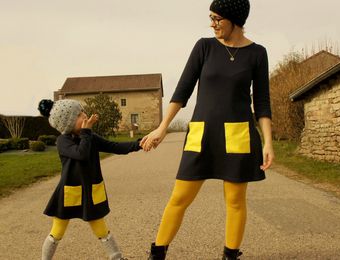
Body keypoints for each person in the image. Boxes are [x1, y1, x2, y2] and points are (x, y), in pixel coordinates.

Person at [141, 0, 274, 259]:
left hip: (238, 135)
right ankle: (157, 253)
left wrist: (268, 142)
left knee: (235, 202)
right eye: (210, 18)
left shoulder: (257, 53)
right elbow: (182, 91)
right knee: (179, 197)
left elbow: (262, 102)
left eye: (217, 18)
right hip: (201, 134)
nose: (212, 23)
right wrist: (162, 128)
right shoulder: (205, 47)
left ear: (235, 19)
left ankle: (230, 255)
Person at [38, 99, 142, 260]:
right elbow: (81, 153)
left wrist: (140, 144)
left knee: (101, 229)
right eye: (79, 115)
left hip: (89, 192)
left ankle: (117, 258)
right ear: (68, 123)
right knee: (57, 232)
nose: (85, 115)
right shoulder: (63, 141)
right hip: (68, 194)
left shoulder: (90, 137)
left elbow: (114, 147)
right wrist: (86, 133)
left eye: (83, 112)